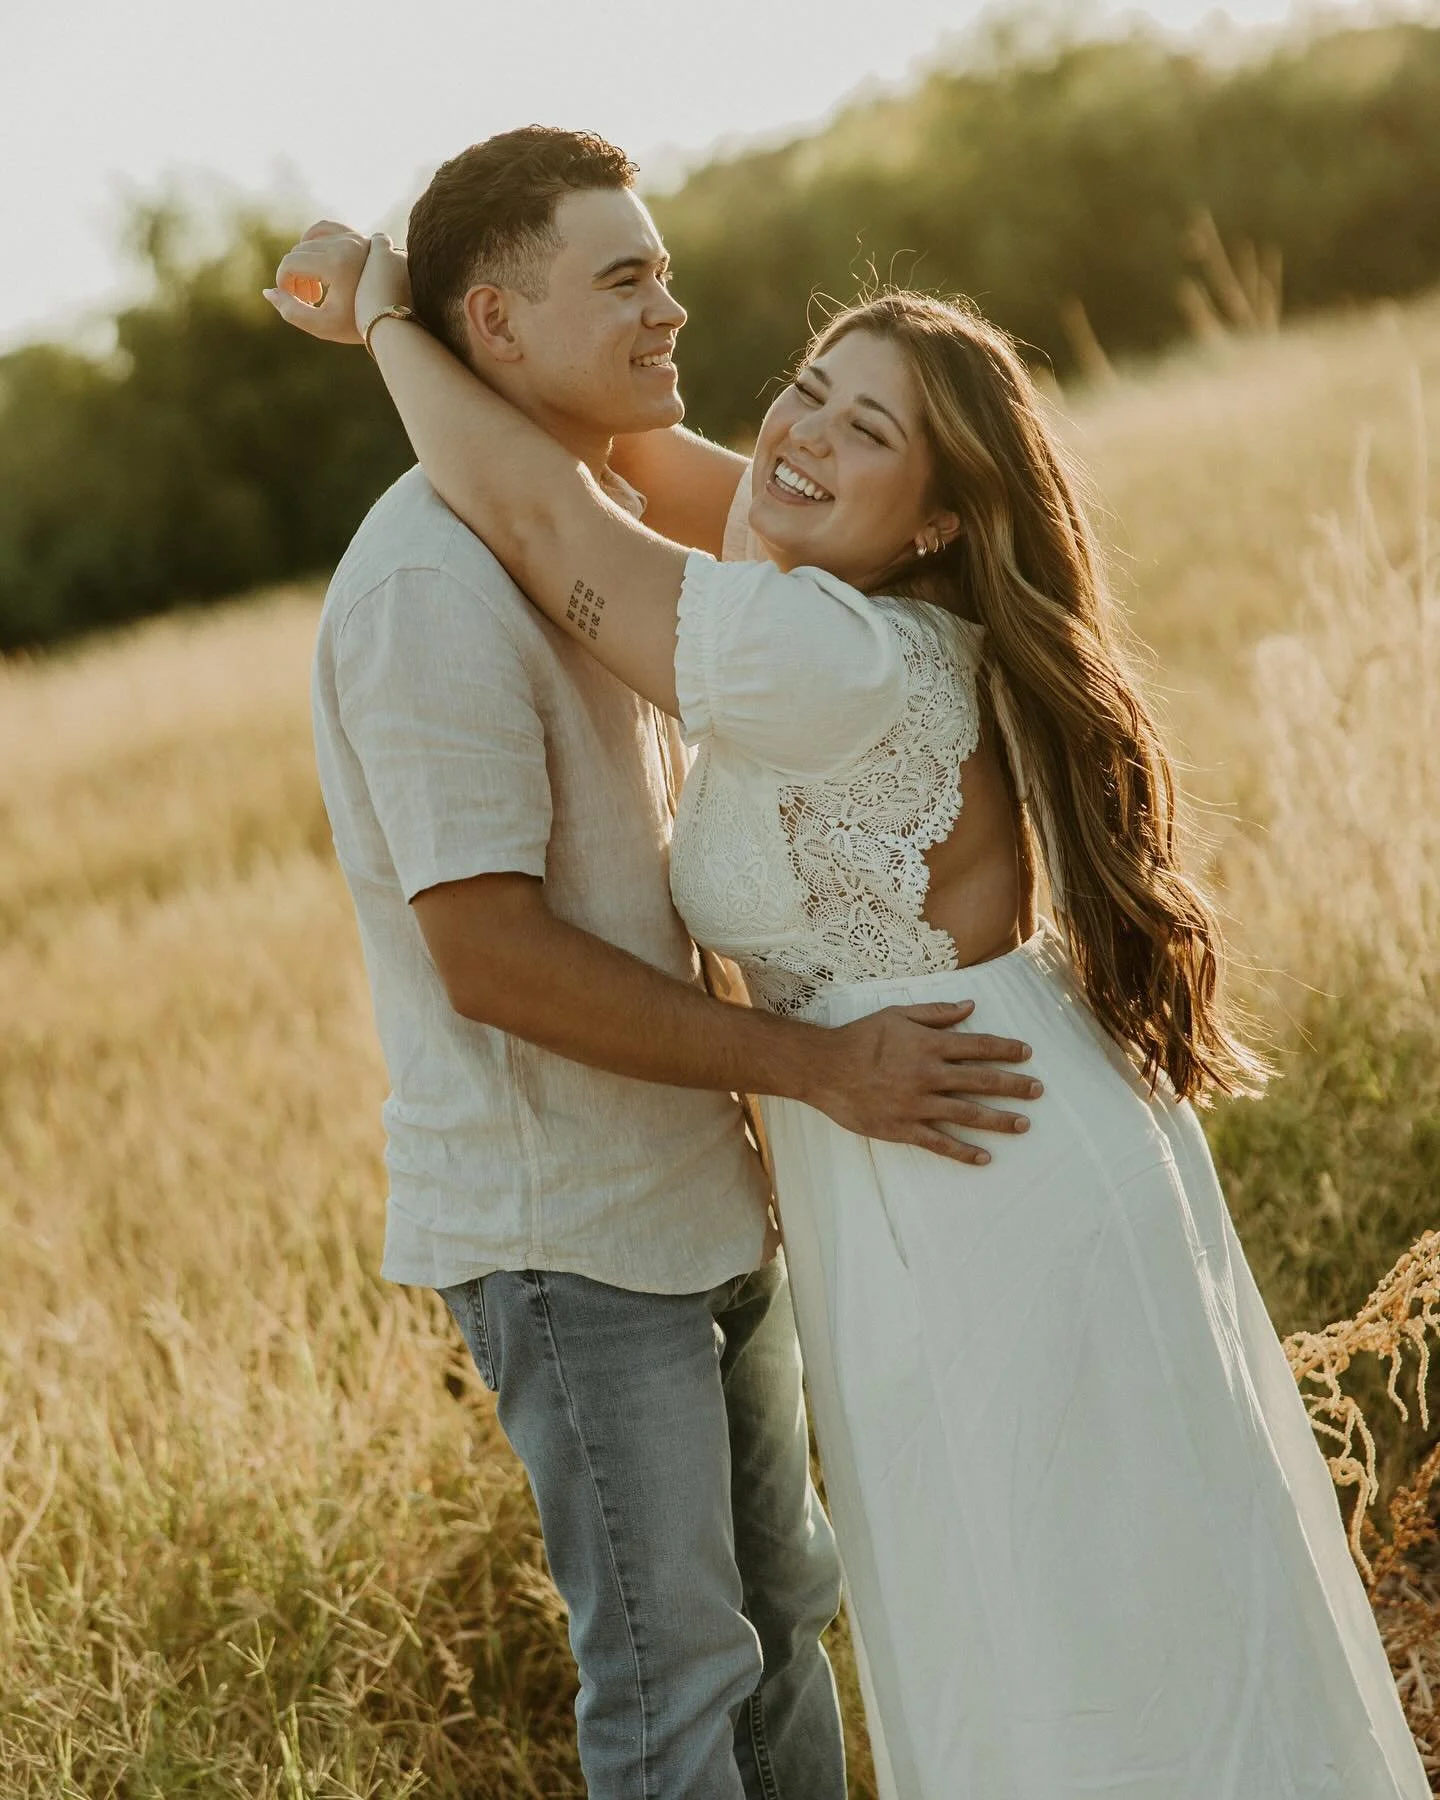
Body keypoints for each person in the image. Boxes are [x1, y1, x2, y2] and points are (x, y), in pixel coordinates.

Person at [268, 186, 1432, 1799]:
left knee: (1070, 1620)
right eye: (805, 384)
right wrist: (475, 340)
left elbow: (551, 517)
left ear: (940, 513)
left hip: (968, 1156)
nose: (796, 435)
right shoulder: (839, 571)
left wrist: (387, 315)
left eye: (859, 426)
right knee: (1048, 1606)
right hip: (945, 1127)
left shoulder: (823, 654)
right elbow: (642, 467)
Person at [285, 128, 1042, 1800]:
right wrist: (822, 1070)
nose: (673, 309)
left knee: (787, 1621)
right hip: (574, 1236)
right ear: (496, 323)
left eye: (668, 271)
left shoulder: (616, 525)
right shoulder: (429, 584)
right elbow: (488, 959)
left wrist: (383, 313)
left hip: (707, 1188)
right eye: (626, 278)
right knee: (676, 1683)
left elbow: (614, 499)